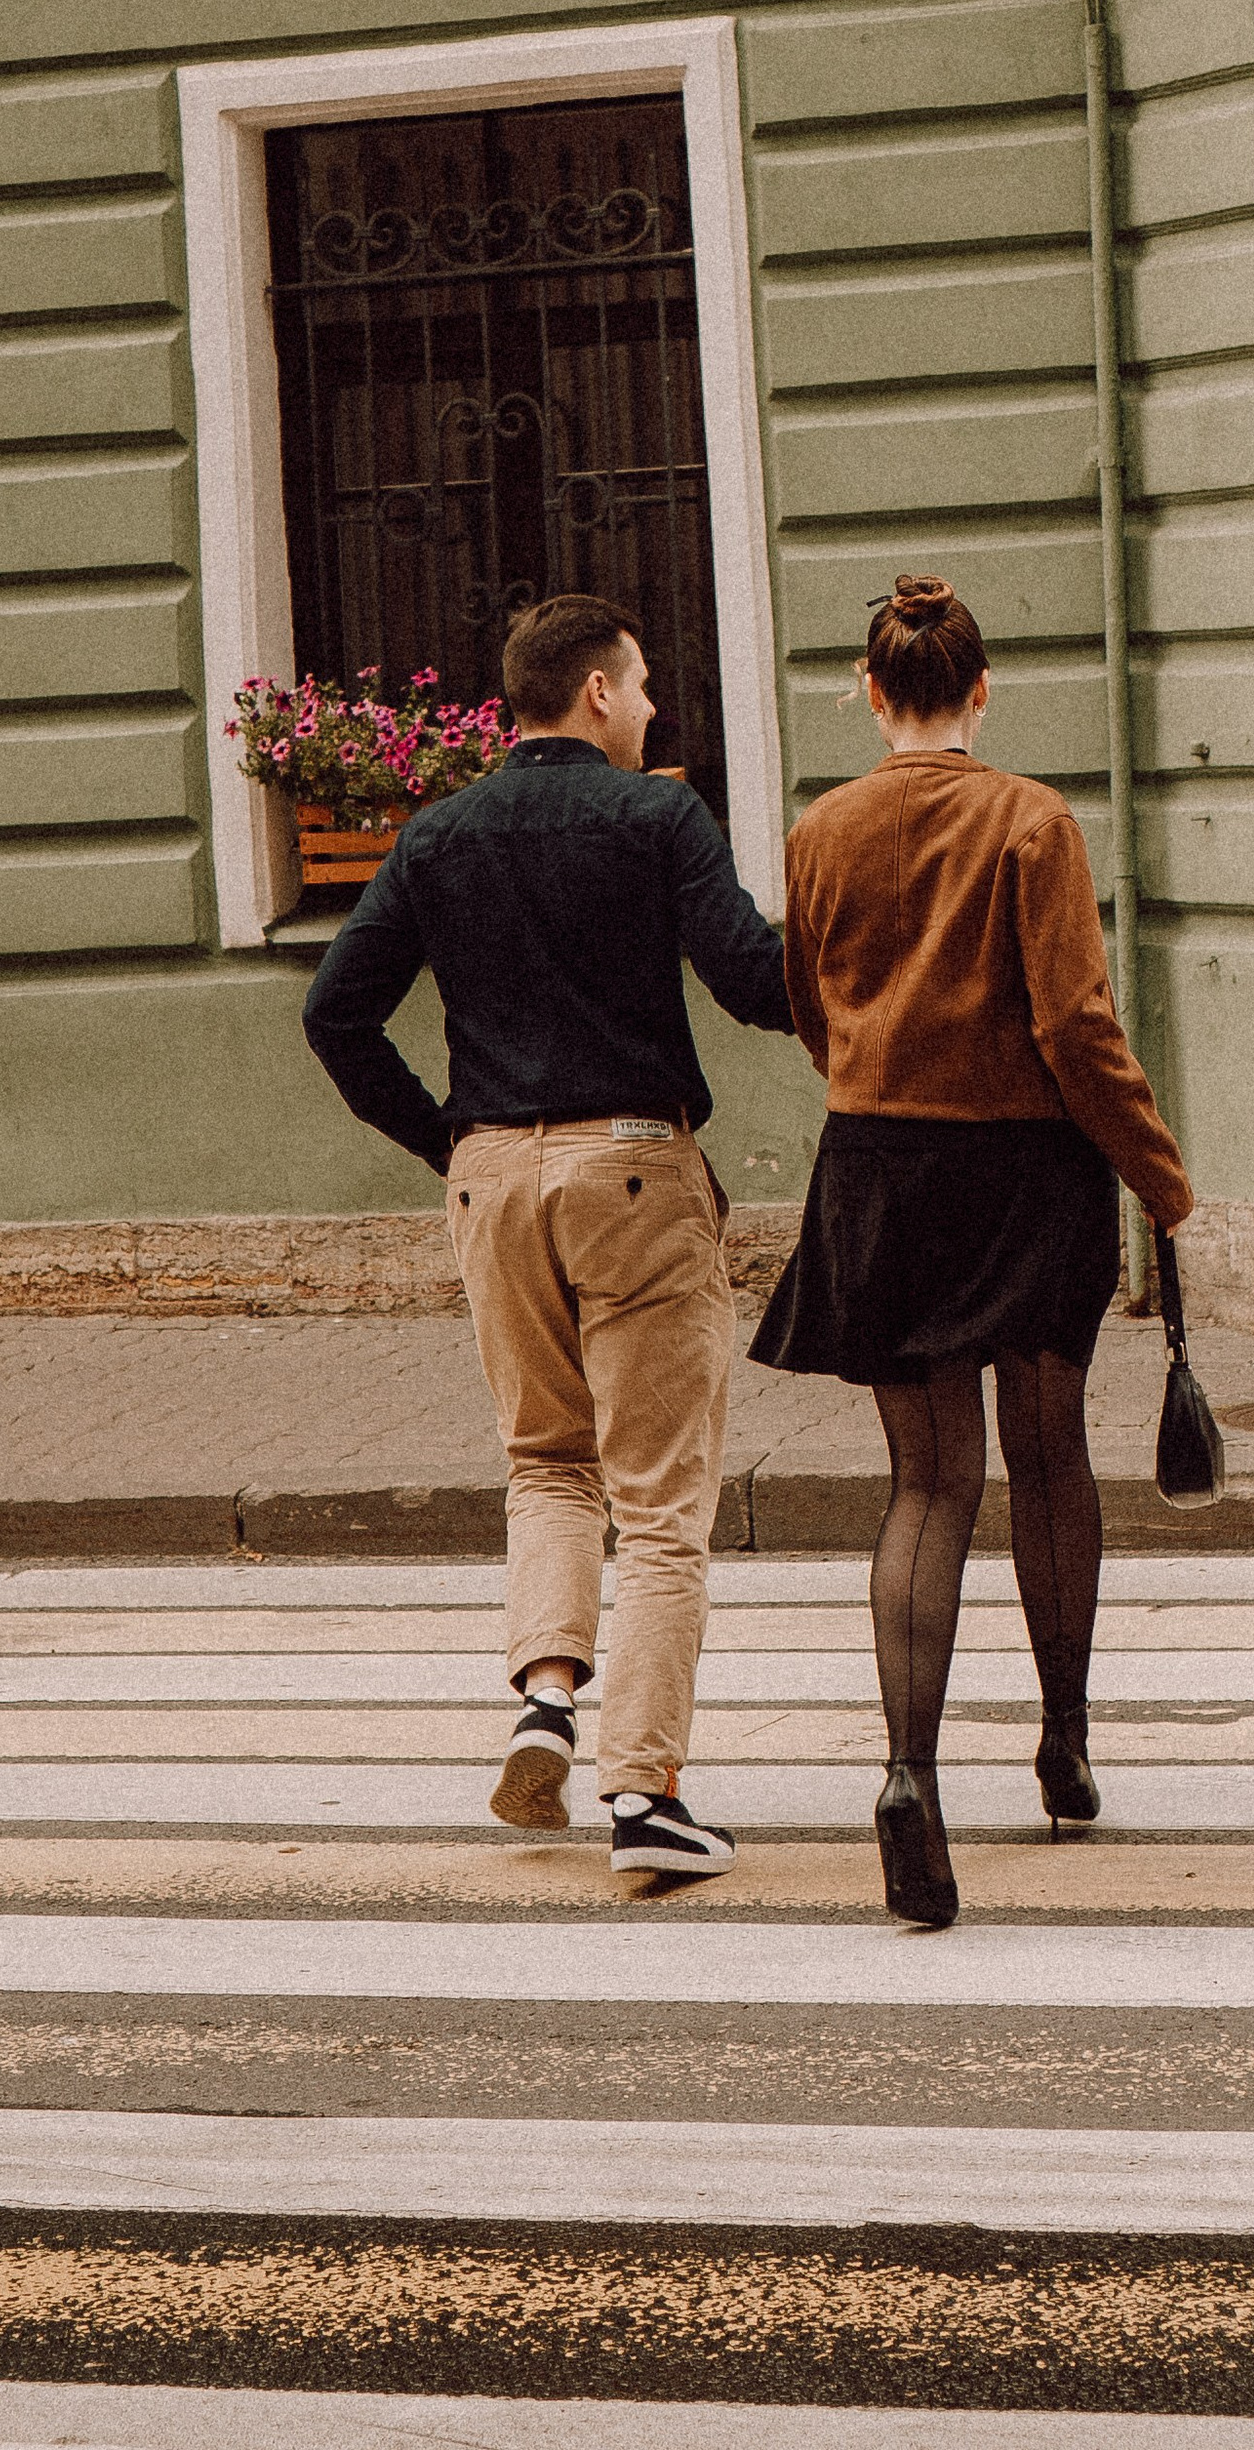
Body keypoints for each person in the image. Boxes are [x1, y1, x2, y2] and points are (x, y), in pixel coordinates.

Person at [301, 594, 795, 1884]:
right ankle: (645, 1793)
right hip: (631, 1168)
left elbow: (336, 1013)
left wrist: (448, 1142)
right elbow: (754, 983)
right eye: (641, 686)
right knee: (663, 1504)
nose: (652, 709)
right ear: (595, 692)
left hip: (493, 1185)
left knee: (547, 1464)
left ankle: (545, 1699)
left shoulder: (437, 835)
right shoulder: (658, 818)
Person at [751, 574, 1195, 1930]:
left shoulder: (820, 829)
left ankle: (908, 1775)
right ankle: (1063, 1744)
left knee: (930, 1483)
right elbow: (1074, 1026)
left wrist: (879, 1083)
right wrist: (1157, 1171)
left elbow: (809, 1005)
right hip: (1025, 1168)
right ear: (981, 689)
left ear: (871, 692)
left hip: (879, 1168)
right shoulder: (1032, 821)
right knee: (1048, 1456)